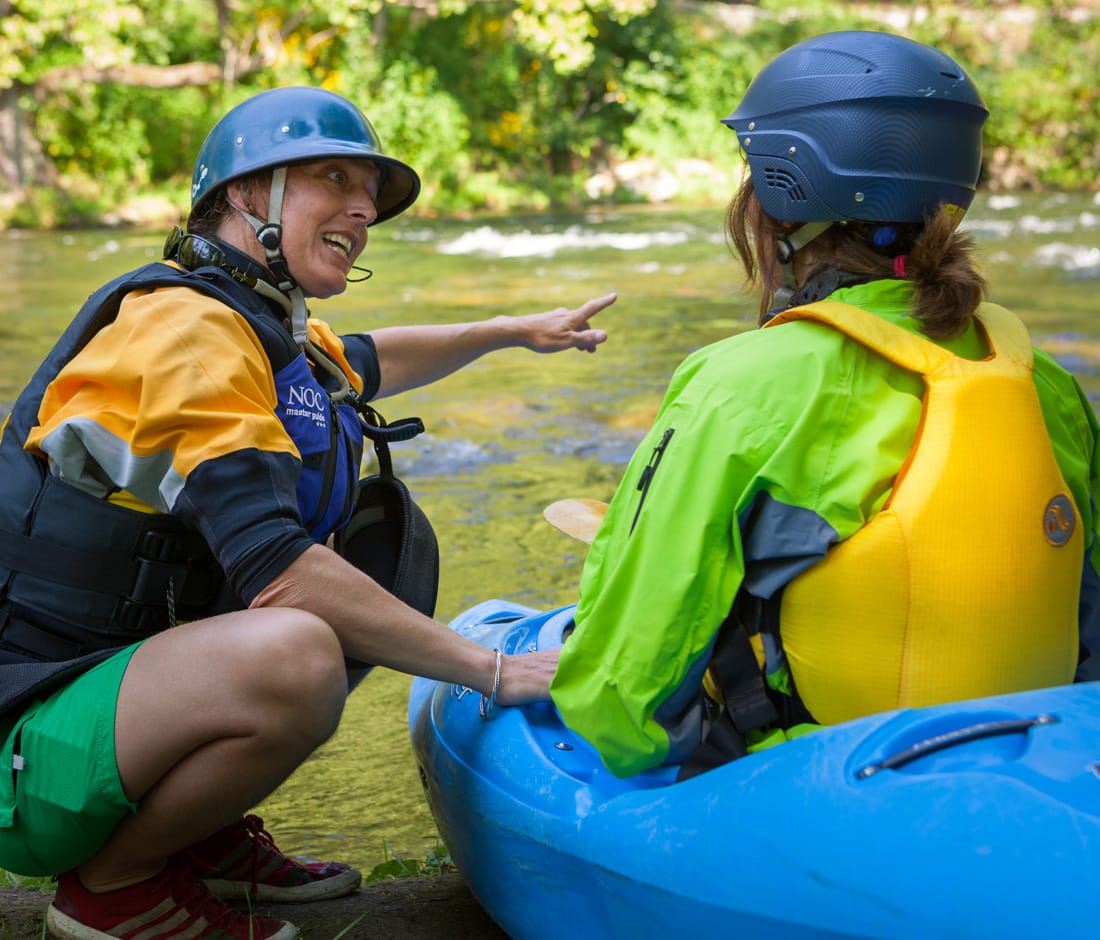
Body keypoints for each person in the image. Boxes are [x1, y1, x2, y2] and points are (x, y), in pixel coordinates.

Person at [0, 86, 615, 939]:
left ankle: (198, 838)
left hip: (92, 728)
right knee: (298, 643)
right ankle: (116, 889)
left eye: (368, 191)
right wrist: (492, 670)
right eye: (335, 179)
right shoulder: (186, 334)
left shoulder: (258, 329)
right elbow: (281, 576)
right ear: (248, 196)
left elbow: (371, 358)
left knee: (374, 561)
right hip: (27, 756)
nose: (363, 209)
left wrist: (514, 330)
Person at [550, 30, 1100, 780]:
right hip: (1033, 767)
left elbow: (621, 694)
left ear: (783, 196)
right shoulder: (1041, 379)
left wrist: (637, 750)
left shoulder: (742, 381)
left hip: (818, 786)